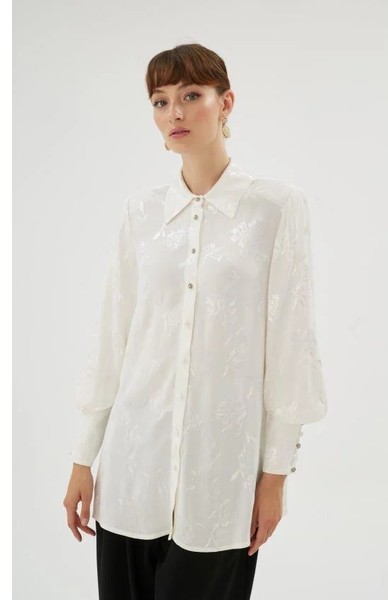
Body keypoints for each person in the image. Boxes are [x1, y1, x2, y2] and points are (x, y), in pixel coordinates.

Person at [63, 42, 328, 600]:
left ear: (225, 102)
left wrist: (275, 477)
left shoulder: (277, 208)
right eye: (160, 101)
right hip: (132, 474)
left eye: (190, 95)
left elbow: (290, 349)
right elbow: (112, 339)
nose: (174, 112)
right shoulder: (140, 214)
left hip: (221, 481)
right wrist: (83, 458)